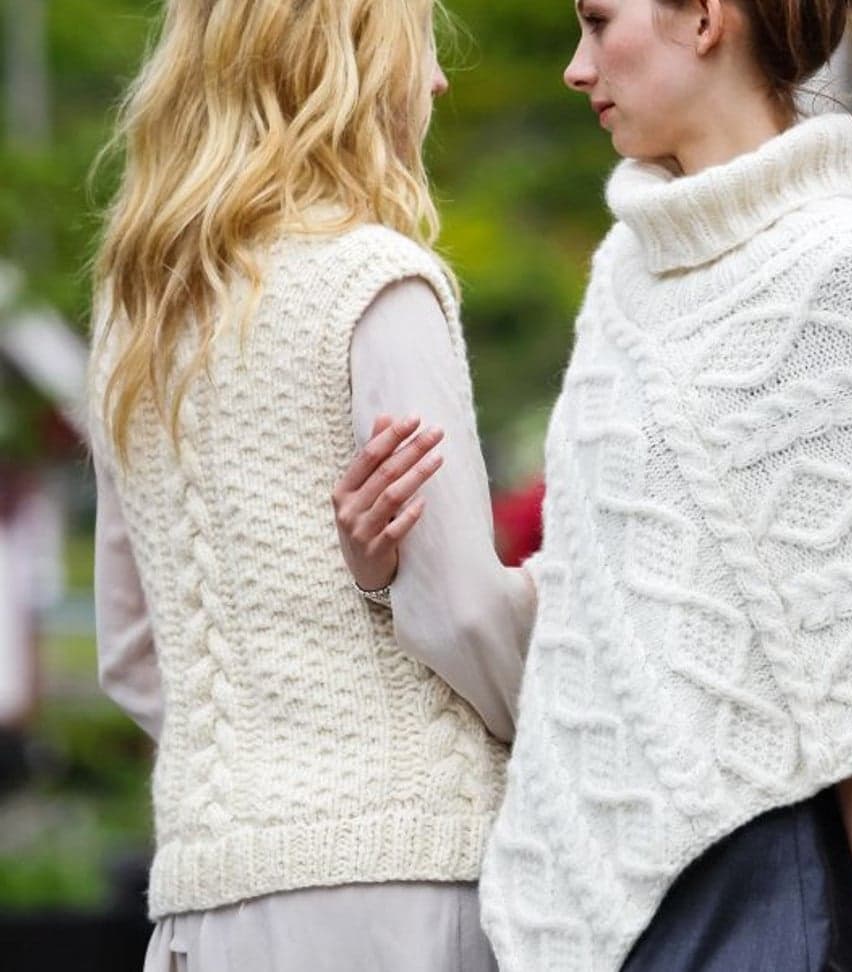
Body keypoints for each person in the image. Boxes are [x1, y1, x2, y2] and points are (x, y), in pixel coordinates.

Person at [333, 0, 852, 969]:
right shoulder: (627, 269)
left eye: (597, 20)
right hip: (607, 873)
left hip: (759, 873)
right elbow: (593, 593)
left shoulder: (846, 270)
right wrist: (387, 565)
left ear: (703, 19)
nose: (577, 67)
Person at [86, 1, 535, 969]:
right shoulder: (376, 282)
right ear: (349, 67)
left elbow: (129, 651)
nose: (438, 82)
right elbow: (459, 610)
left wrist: (257, 764)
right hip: (396, 884)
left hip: (204, 902)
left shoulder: (136, 317)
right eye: (419, 52)